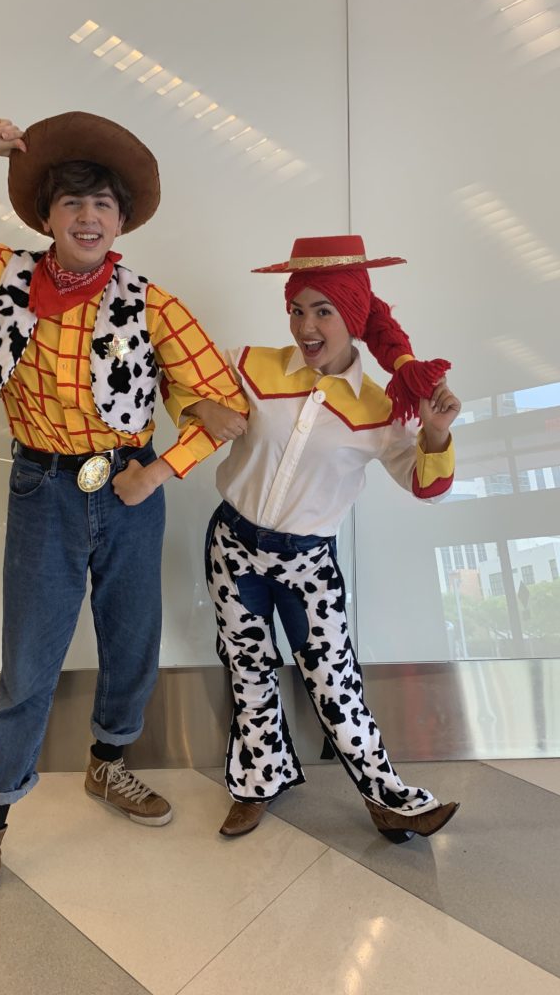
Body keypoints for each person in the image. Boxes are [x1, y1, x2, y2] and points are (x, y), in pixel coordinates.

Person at [0, 113, 248, 888]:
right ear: (47, 217)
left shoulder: (154, 306)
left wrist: (159, 470)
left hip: (131, 489)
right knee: (29, 663)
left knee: (132, 641)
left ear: (122, 220)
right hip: (43, 489)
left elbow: (225, 409)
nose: (88, 217)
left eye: (103, 204)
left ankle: (109, 762)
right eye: (72, 202)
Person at [187, 235, 462, 840]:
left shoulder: (383, 409)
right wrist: (200, 408)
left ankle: (388, 800)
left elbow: (427, 486)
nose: (305, 326)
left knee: (335, 681)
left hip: (308, 563)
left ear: (354, 315)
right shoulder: (249, 364)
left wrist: (437, 434)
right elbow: (179, 378)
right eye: (296, 309)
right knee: (248, 669)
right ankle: (257, 785)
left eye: (323, 311)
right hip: (232, 547)